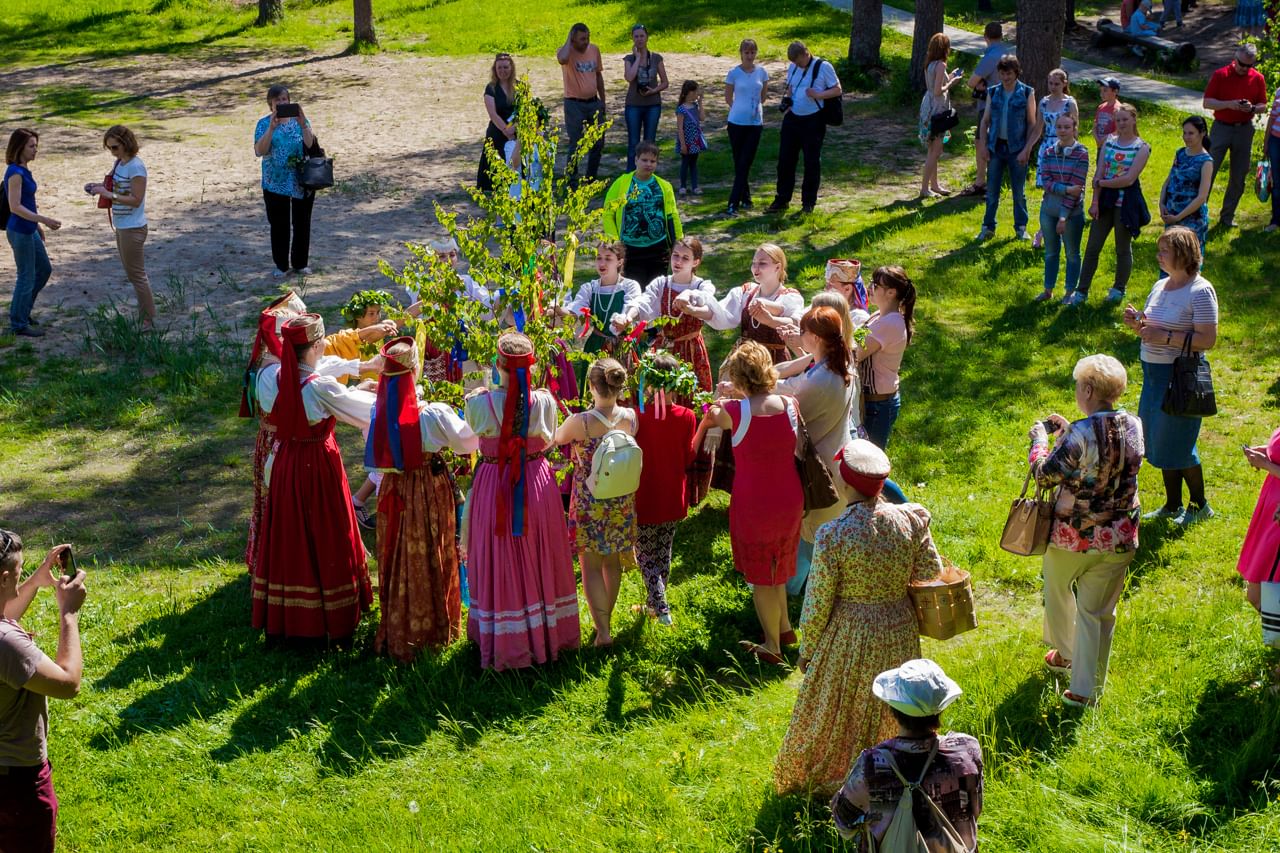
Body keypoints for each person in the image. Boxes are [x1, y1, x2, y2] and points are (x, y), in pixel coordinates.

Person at [773, 439, 943, 794]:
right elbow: (931, 570)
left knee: (841, 705)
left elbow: (817, 600)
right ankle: (891, 773)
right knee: (892, 703)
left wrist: (809, 651)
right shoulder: (910, 520)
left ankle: (842, 778)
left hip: (851, 631)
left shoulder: (834, 534)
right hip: (898, 625)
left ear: (844, 484)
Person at [1028, 354, 1144, 707]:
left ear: (1089, 389)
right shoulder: (1134, 425)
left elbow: (1045, 474)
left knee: (1058, 588)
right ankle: (1085, 690)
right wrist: (1068, 434)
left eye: (1079, 386)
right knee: (1098, 612)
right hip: (1121, 532)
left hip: (1073, 536)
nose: (1078, 391)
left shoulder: (1080, 433)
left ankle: (1065, 652)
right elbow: (1106, 457)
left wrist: (1039, 441)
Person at [253, 313, 376, 644]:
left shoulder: (271, 378)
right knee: (327, 528)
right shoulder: (319, 388)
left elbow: (315, 389)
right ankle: (332, 614)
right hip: (317, 464)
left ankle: (290, 614)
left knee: (291, 534)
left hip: (285, 464)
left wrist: (353, 382)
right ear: (318, 345)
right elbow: (361, 410)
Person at [463, 332, 580, 671]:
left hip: (493, 481)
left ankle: (506, 638)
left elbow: (472, 434)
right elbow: (548, 438)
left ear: (497, 364)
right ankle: (546, 634)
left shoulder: (478, 403)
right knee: (538, 550)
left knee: (497, 553)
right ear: (532, 365)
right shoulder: (542, 402)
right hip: (535, 482)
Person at [366, 337, 479, 661]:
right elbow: (466, 445)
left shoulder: (379, 411)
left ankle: (398, 627)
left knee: (398, 552)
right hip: (428, 489)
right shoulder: (434, 414)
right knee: (433, 548)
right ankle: (432, 632)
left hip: (393, 489)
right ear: (415, 370)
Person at [702, 341, 803, 663]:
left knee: (762, 576)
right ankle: (785, 628)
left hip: (754, 501)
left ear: (740, 378)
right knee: (781, 565)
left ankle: (771, 645)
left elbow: (710, 412)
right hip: (789, 497)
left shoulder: (734, 412)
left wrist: (724, 395)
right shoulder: (790, 405)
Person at [830, 660, 983, 850]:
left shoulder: (872, 764)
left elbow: (844, 825)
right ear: (940, 707)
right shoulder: (967, 749)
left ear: (893, 710)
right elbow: (975, 810)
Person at [1122, 227, 1218, 526]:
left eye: (1164, 250)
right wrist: (1140, 323)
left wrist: (1163, 337)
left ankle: (1199, 505)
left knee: (1179, 443)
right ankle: (1173, 505)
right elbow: (1154, 325)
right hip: (1153, 376)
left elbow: (1207, 340)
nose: (1158, 255)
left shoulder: (1201, 291)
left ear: (1183, 253)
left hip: (1180, 377)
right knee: (1159, 441)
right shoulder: (1160, 285)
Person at [0, 533, 86, 853]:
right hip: (15, 785)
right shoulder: (7, 644)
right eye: (20, 574)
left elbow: (4, 616)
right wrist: (68, 614)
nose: (21, 580)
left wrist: (35, 581)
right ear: (5, 577)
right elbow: (68, 683)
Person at [555, 358, 638, 647]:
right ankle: (606, 620)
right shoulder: (629, 416)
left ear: (591, 387)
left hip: (590, 500)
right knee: (612, 561)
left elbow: (556, 439)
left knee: (590, 565)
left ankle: (602, 632)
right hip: (620, 499)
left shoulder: (581, 422)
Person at [774, 305, 856, 596]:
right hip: (837, 459)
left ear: (818, 338)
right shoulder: (839, 365)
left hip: (819, 468)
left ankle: (792, 590)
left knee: (812, 531)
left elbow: (790, 398)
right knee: (825, 529)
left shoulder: (820, 379)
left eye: (804, 331)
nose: (800, 336)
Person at [632, 353, 698, 625]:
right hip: (673, 495)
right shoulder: (687, 416)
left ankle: (661, 607)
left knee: (645, 553)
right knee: (663, 549)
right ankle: (653, 604)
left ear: (648, 384)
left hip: (645, 496)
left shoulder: (637, 416)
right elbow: (688, 457)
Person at [1072, 103, 1151, 306]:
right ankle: (1081, 291)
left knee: (1122, 249)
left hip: (1126, 204)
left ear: (1134, 119)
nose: (1122, 123)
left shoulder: (1142, 147)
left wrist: (1103, 183)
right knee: (1092, 247)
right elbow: (1099, 172)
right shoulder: (1109, 142)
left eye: (1125, 119)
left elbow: (1129, 179)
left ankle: (1118, 289)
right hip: (1105, 202)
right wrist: (1095, 201)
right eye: (1118, 120)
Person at [83, 125, 155, 330]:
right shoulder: (120, 164)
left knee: (137, 275)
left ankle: (148, 320)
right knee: (133, 275)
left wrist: (108, 195)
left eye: (115, 147)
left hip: (134, 228)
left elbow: (136, 199)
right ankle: (146, 315)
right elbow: (117, 189)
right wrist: (98, 187)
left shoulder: (136, 167)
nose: (112, 152)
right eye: (109, 148)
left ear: (126, 143)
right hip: (122, 225)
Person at [766, 40, 842, 214]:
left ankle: (808, 203)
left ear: (805, 53)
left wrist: (818, 94)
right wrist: (789, 103)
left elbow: (837, 89)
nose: (796, 65)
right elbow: (792, 88)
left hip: (813, 120)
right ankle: (782, 199)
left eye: (798, 61)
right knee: (785, 160)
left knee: (811, 162)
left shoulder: (823, 67)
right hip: (793, 118)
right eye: (793, 62)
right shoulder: (793, 67)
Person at [254, 84, 318, 277]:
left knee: (302, 222)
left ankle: (300, 263)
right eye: (277, 101)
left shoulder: (301, 121)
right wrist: (272, 129)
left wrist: (303, 123)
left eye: (284, 99)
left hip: (301, 179)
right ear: (270, 104)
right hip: (275, 181)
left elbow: (310, 144)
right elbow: (260, 150)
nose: (282, 103)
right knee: (279, 224)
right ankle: (281, 265)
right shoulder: (263, 124)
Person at [556, 241, 642, 385]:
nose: (602, 263)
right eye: (599, 258)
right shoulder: (590, 288)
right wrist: (557, 309)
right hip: (596, 345)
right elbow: (574, 312)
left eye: (608, 258)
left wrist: (625, 319)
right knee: (596, 388)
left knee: (625, 391)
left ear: (619, 261)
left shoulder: (629, 286)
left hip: (623, 347)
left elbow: (632, 306)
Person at [1202, 44, 1268, 228]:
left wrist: (1252, 108)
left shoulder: (1257, 78)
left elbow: (1263, 104)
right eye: (1241, 64)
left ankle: (1227, 217)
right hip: (1221, 128)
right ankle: (1199, 214)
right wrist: (1229, 104)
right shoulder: (1221, 74)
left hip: (1244, 129)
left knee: (1239, 175)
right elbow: (1207, 102)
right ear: (1235, 58)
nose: (1244, 68)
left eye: (1249, 65)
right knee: (1208, 171)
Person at [602, 140, 682, 290]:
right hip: (630, 249)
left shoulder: (664, 186)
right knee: (634, 290)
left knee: (656, 291)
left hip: (658, 249)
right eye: (644, 160)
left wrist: (678, 243)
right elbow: (608, 214)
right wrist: (614, 241)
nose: (648, 164)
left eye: (653, 161)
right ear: (636, 160)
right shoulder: (621, 183)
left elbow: (672, 217)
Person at [4, 128, 60, 338]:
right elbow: (15, 207)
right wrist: (43, 219)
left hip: (29, 228)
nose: (36, 150)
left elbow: (28, 203)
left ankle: (22, 312)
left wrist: (36, 225)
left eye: (36, 145)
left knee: (44, 270)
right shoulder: (15, 173)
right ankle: (18, 323)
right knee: (26, 277)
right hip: (20, 231)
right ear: (19, 147)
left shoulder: (24, 169)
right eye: (31, 146)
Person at [977, 55, 1038, 241]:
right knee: (992, 191)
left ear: (1016, 72)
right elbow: (985, 121)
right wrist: (984, 146)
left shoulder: (1027, 92)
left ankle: (1021, 227)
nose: (1006, 78)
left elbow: (1032, 124)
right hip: (996, 147)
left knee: (1018, 192)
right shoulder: (993, 92)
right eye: (1002, 74)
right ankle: (988, 227)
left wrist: (1026, 149)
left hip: (1017, 148)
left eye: (1009, 74)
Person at [855, 266, 915, 449]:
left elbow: (855, 352)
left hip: (878, 405)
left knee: (869, 467)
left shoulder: (890, 322)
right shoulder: (877, 317)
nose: (869, 287)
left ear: (891, 292)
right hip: (871, 402)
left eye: (875, 284)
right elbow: (855, 340)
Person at [1036, 113, 1090, 302]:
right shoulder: (1049, 152)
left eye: (1067, 127)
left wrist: (1063, 217)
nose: (1063, 131)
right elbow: (1046, 182)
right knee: (1051, 251)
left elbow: (1077, 190)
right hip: (1048, 210)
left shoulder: (1082, 154)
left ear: (1074, 129)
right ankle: (1048, 290)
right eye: (1059, 127)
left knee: (1072, 254)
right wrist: (1065, 188)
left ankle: (1069, 292)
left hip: (1071, 214)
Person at [959, 22, 1012, 198]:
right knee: (988, 142)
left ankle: (985, 183)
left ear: (985, 37)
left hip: (990, 106)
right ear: (1001, 35)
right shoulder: (1008, 53)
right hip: (1007, 104)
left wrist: (981, 85)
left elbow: (971, 82)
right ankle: (983, 181)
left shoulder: (991, 57)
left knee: (984, 143)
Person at [1031, 69, 1079, 249]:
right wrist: (1028, 148)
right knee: (1048, 191)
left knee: (1062, 190)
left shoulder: (1069, 103)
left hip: (1065, 148)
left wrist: (1074, 152)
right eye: (1050, 83)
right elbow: (1038, 129)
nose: (1053, 87)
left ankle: (1056, 228)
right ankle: (1044, 230)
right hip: (1047, 148)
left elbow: (1075, 129)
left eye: (1057, 84)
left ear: (1064, 83)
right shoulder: (1043, 102)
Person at [556, 23, 606, 186]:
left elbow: (598, 75)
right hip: (574, 103)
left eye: (588, 37)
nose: (586, 42)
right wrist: (568, 41)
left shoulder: (594, 50)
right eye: (582, 39)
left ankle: (591, 177)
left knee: (598, 142)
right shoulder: (566, 52)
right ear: (573, 39)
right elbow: (561, 59)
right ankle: (572, 180)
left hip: (593, 102)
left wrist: (603, 100)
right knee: (575, 142)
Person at [724, 39, 770, 215]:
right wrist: (739, 109)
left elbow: (763, 97)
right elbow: (728, 97)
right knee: (739, 162)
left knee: (745, 162)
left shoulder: (762, 72)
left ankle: (733, 202)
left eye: (752, 52)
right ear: (741, 54)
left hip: (755, 122)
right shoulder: (734, 73)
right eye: (746, 53)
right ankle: (746, 198)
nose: (749, 56)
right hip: (736, 122)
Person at [918, 34, 965, 199]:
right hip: (937, 110)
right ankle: (924, 188)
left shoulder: (930, 64)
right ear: (945, 49)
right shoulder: (940, 65)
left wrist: (950, 75)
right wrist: (952, 83)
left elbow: (935, 85)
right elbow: (939, 90)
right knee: (936, 150)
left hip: (928, 106)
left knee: (933, 149)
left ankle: (934, 185)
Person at [1158, 116, 1215, 254]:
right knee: (1170, 258)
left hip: (1192, 220)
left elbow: (1202, 197)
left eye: (1191, 133)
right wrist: (1162, 203)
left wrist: (1178, 217)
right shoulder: (1180, 153)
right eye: (1184, 133)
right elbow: (1169, 179)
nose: (1186, 137)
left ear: (1202, 133)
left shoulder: (1206, 161)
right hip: (1172, 214)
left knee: (1187, 262)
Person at [1238, 428, 1280, 612]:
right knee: (1259, 596)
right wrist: (1267, 451)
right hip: (1271, 511)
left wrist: (1265, 464)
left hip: (1277, 519)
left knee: (1260, 596)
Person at [623, 25, 668, 172]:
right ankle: (631, 175)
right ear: (632, 39)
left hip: (652, 104)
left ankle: (648, 174)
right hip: (633, 104)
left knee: (650, 142)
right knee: (634, 143)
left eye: (642, 36)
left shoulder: (656, 58)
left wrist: (654, 90)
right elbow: (629, 77)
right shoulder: (629, 59)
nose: (639, 39)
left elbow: (665, 82)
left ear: (647, 37)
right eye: (636, 36)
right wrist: (637, 58)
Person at [478, 53, 518, 192]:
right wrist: (506, 131)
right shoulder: (491, 88)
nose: (503, 71)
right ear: (495, 69)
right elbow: (493, 114)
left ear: (511, 68)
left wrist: (514, 128)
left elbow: (525, 109)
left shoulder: (520, 87)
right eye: (499, 68)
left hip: (517, 128)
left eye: (506, 67)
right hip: (498, 130)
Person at [675, 81, 708, 196]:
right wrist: (683, 144)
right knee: (685, 162)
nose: (697, 93)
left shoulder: (695, 106)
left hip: (695, 140)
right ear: (689, 92)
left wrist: (700, 103)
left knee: (693, 163)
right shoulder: (681, 109)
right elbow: (680, 128)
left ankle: (695, 186)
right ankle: (683, 186)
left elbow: (702, 118)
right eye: (695, 91)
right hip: (686, 140)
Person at [1094, 78, 1121, 148]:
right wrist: (1097, 139)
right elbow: (1095, 126)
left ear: (1115, 91)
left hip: (1112, 146)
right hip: (1100, 144)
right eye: (1101, 90)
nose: (1101, 93)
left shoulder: (1119, 109)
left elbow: (1119, 130)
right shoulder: (1101, 107)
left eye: (1105, 90)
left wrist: (1105, 139)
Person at [1267, 89, 1280, 233]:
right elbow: (1272, 118)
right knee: (1277, 184)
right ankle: (1275, 221)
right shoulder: (1279, 91)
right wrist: (1266, 143)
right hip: (1276, 140)